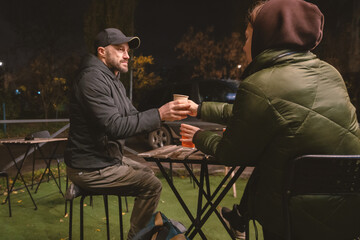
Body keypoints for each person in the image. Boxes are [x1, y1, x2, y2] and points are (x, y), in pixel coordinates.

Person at [180, 0, 360, 239]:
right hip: (347, 212)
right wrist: (200, 109)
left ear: (266, 37)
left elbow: (231, 153)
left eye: (247, 37)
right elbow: (253, 113)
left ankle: (240, 217)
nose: (244, 47)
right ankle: (239, 217)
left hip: (289, 218)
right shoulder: (331, 73)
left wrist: (198, 136)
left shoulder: (260, 84)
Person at [64, 28, 191, 239]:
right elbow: (115, 127)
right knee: (151, 185)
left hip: (105, 159)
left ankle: (142, 231)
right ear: (102, 52)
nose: (127, 55)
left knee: (148, 173)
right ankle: (137, 237)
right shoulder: (92, 80)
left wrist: (165, 116)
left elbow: (132, 117)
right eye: (120, 49)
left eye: (128, 51)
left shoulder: (114, 82)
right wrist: (159, 114)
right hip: (89, 166)